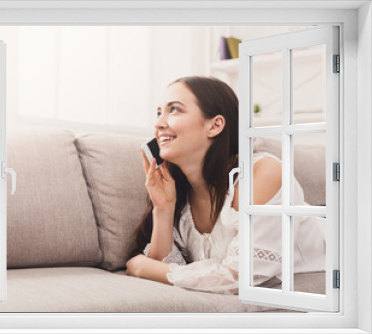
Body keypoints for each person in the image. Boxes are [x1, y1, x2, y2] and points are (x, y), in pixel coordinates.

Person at [126, 76, 326, 294]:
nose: (158, 124)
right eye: (159, 113)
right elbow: (160, 268)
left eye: (174, 110)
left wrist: (141, 267)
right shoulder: (182, 197)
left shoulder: (264, 173)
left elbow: (240, 277)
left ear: (215, 125)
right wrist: (163, 208)